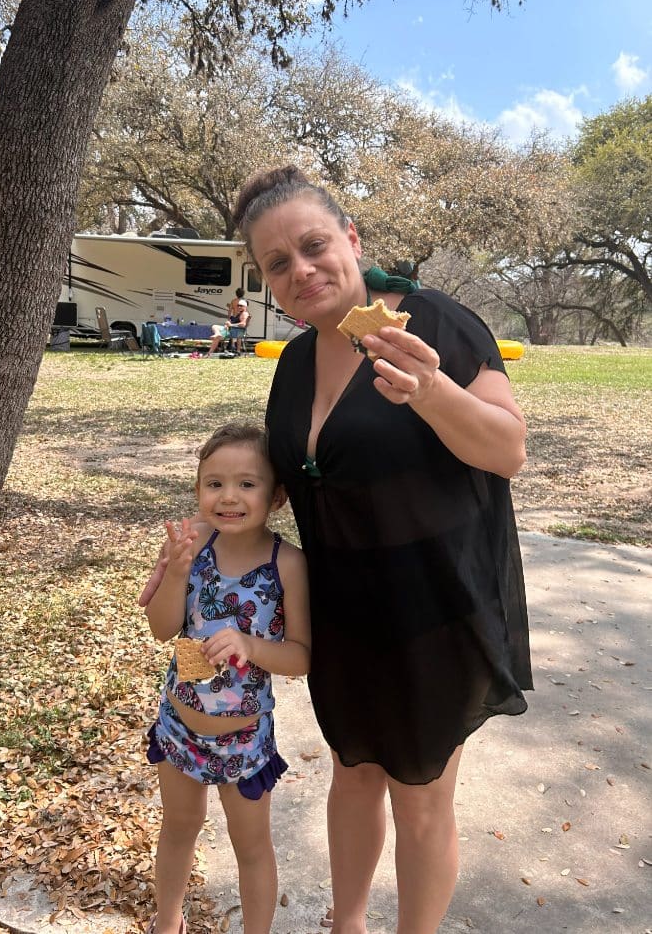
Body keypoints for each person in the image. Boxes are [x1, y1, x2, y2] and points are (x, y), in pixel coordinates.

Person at [229, 166, 533, 934]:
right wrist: (209, 543)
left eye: (313, 245)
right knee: (353, 770)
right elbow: (299, 478)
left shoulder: (433, 322)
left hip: (435, 607)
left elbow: (507, 450)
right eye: (276, 262)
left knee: (419, 794)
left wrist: (431, 391)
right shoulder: (294, 363)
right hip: (341, 613)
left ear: (352, 240)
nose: (300, 270)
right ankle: (348, 924)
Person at [143, 423, 310, 934]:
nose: (229, 496)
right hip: (179, 728)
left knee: (251, 846)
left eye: (247, 484)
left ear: (277, 496)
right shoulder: (192, 545)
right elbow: (161, 629)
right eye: (214, 483)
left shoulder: (288, 564)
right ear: (198, 489)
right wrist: (175, 572)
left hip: (244, 739)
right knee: (178, 828)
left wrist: (251, 646)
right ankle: (167, 923)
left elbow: (301, 656)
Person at [206, 292, 250, 357]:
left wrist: (231, 325)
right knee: (215, 329)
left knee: (215, 327)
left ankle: (209, 353)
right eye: (238, 305)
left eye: (241, 306)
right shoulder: (240, 313)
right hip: (232, 330)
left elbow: (243, 324)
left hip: (234, 332)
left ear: (245, 306)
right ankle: (210, 351)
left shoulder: (244, 314)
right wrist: (228, 324)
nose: (239, 307)